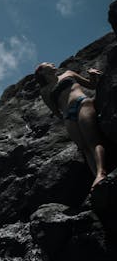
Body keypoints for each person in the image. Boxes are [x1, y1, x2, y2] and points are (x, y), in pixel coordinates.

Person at [34, 62, 108, 190]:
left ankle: (101, 172)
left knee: (93, 140)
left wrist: (92, 75)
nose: (52, 63)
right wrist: (65, 116)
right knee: (84, 148)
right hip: (68, 115)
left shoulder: (68, 74)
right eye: (47, 63)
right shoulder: (45, 91)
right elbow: (55, 111)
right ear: (41, 71)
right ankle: (96, 178)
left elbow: (92, 85)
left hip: (82, 103)